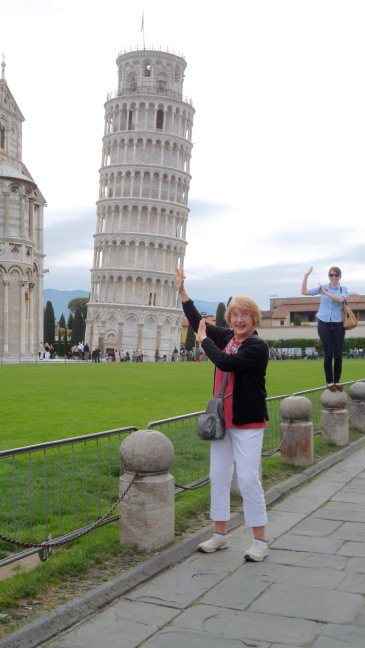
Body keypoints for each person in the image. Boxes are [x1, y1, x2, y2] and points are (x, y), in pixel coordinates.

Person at [176, 268, 270, 562]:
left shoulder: (256, 346)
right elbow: (197, 322)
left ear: (254, 319)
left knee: (248, 479)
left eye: (245, 315)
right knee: (218, 476)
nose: (239, 320)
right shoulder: (228, 336)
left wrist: (204, 341)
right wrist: (183, 293)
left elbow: (226, 363)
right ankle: (220, 535)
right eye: (235, 315)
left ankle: (260, 541)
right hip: (223, 422)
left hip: (248, 422)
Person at [302, 266, 348, 391]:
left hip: (338, 324)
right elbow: (304, 292)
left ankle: (337, 381)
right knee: (328, 354)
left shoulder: (343, 289)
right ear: (329, 276)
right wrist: (306, 276)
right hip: (324, 323)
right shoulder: (322, 287)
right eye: (332, 275)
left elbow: (340, 299)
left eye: (336, 275)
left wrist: (325, 292)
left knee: (338, 354)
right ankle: (329, 381)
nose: (334, 277)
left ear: (340, 276)